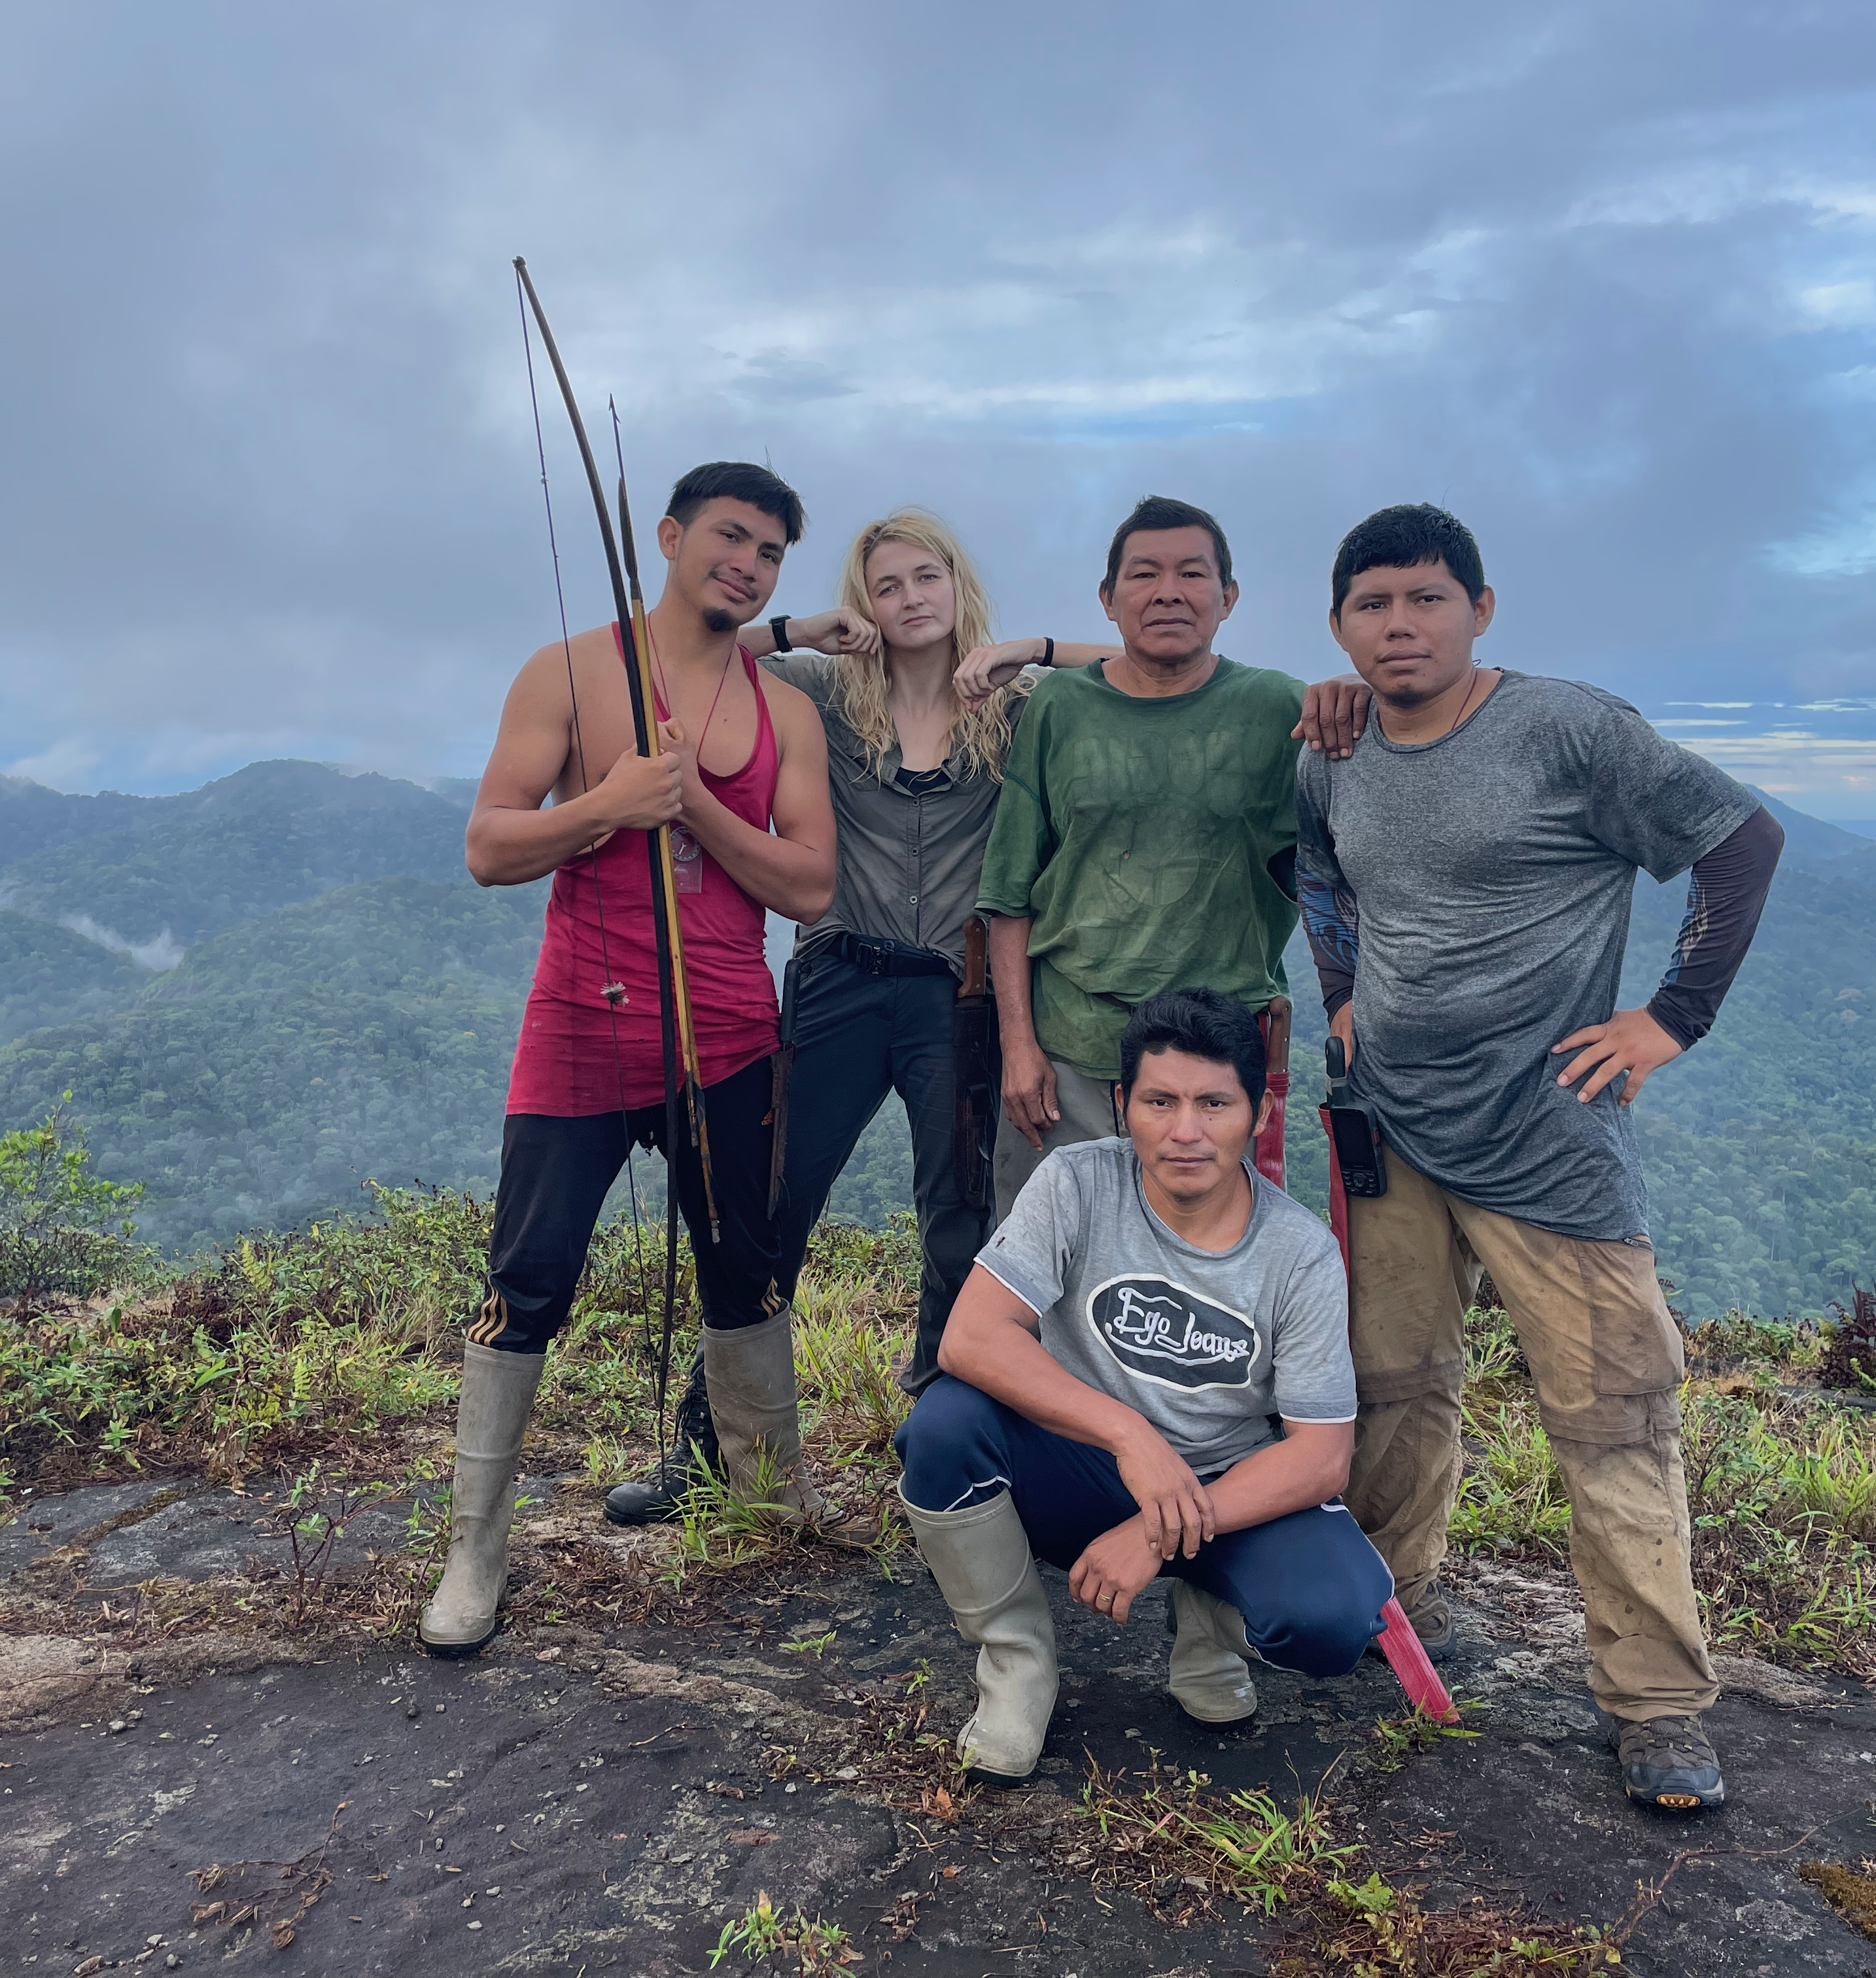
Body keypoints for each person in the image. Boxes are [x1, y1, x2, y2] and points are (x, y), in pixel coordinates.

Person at [1296, 502, 1783, 1810]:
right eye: (1373, 605)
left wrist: (1672, 1019)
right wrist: (1340, 986)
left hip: (1550, 1141)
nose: (1400, 624)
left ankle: (1659, 1701)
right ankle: (1397, 1602)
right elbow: (1316, 866)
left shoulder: (1570, 729)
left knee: (1616, 1416)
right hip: (1390, 1125)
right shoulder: (1335, 747)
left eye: (1426, 599)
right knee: (1392, 1384)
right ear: (1339, 625)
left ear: (1482, 608)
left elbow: (1740, 842)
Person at [596, 512, 1120, 1525]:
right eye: (888, 586)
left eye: (929, 578)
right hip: (837, 973)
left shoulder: (1018, 705)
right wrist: (795, 629)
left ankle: (942, 1442)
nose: (911, 598)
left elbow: (1148, 666)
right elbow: (673, 658)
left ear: (959, 587)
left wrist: (1033, 649)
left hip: (956, 993)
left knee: (960, 1218)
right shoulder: (822, 692)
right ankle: (714, 1448)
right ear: (865, 602)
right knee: (773, 1200)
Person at [419, 461, 837, 1657]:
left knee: (745, 1264)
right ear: (669, 536)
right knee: (528, 1273)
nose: (747, 563)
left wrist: (697, 806)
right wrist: (604, 800)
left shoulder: (785, 710)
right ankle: (475, 1552)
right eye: (729, 536)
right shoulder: (570, 669)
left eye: (767, 551)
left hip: (729, 1030)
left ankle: (773, 1495)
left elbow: (810, 882)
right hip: (581, 1025)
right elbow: (491, 846)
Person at [894, 989, 1392, 1783]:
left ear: (1259, 1114)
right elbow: (972, 1336)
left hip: (1223, 1494)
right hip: (1084, 1469)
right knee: (944, 1428)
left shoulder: (1299, 1253)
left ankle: (1209, 1621)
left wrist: (1157, 1531)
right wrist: (1130, 1437)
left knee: (1334, 1614)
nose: (1185, 1131)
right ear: (1124, 1106)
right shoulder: (1077, 1183)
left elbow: (1324, 1456)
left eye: (1214, 1103)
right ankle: (1018, 1662)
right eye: (1160, 1101)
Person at [973, 496, 1311, 1224]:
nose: (1168, 592)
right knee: (1043, 1269)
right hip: (1070, 1048)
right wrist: (1018, 1047)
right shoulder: (1060, 706)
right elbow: (1009, 895)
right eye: (1144, 574)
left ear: (1228, 597)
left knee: (1206, 1278)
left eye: (1192, 574)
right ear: (1108, 597)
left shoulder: (1278, 710)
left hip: (1215, 1061)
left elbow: (1345, 874)